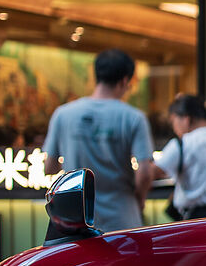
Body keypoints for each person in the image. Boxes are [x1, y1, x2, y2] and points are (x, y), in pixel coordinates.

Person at [42, 49, 151, 235]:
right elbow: (145, 172)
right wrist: (138, 200)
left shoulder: (63, 114)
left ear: (96, 76)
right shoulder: (133, 118)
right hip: (122, 218)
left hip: (76, 219)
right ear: (125, 81)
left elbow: (49, 167)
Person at [144, 93, 206, 220]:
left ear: (186, 119)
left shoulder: (183, 144)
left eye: (173, 121)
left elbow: (150, 173)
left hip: (198, 220)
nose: (174, 128)